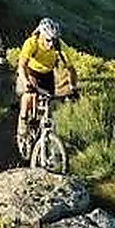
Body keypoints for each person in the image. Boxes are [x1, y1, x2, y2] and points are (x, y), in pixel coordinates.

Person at [15, 17, 77, 150]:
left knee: (49, 103)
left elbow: (71, 69)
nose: (51, 44)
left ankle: (46, 138)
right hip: (30, 71)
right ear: (41, 35)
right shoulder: (32, 43)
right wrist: (26, 83)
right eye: (48, 40)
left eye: (53, 40)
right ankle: (23, 121)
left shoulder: (59, 46)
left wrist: (73, 88)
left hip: (47, 74)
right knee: (29, 95)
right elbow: (21, 66)